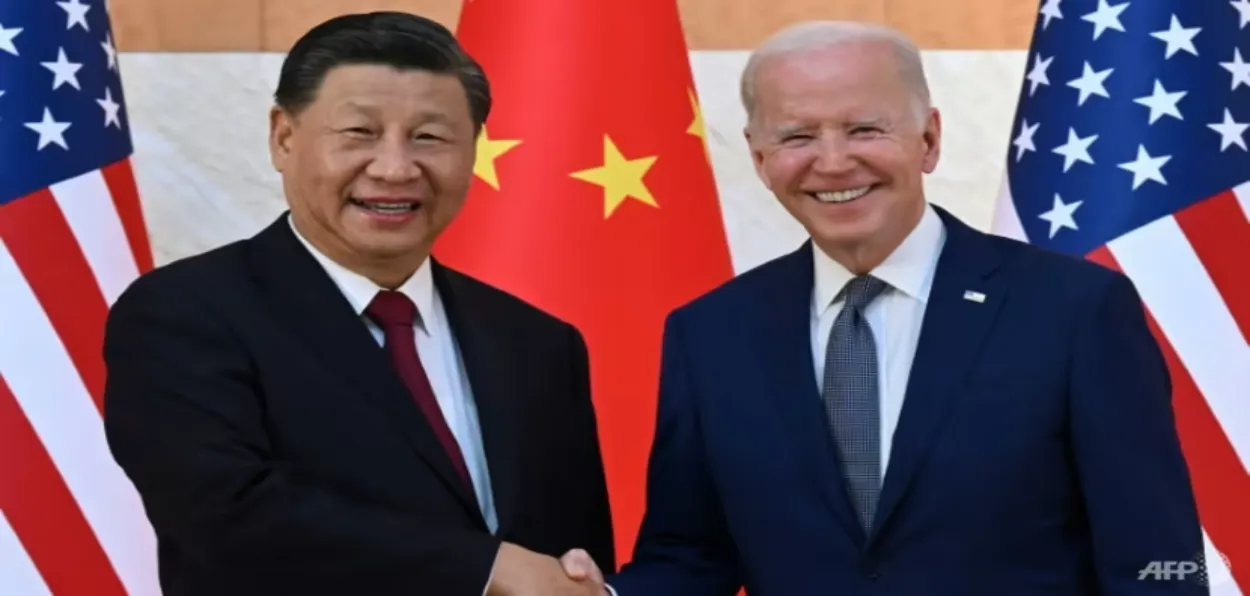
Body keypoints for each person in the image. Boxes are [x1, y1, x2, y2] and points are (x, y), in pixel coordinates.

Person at [561, 20, 1206, 596]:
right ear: (759, 158)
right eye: (797, 136)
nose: (834, 162)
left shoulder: (1075, 310)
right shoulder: (711, 334)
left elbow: (1154, 562)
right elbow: (692, 555)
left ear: (928, 139)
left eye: (865, 129)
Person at [102, 12, 613, 596]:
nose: (395, 168)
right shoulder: (183, 313)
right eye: (359, 133)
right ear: (283, 137)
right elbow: (225, 519)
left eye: (430, 137)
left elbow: (574, 555)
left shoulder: (537, 342)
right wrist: (485, 569)